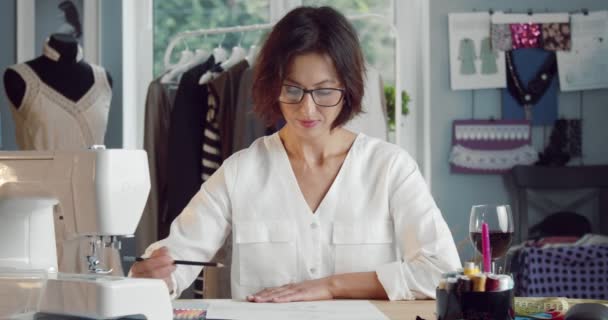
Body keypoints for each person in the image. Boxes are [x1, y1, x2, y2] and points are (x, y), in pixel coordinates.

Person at [130, 6, 460, 302]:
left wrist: (332, 286)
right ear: (273, 87)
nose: (307, 107)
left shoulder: (390, 168)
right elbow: (174, 262)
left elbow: (442, 274)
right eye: (293, 89)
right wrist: (153, 274)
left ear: (348, 90)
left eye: (325, 91)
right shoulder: (239, 172)